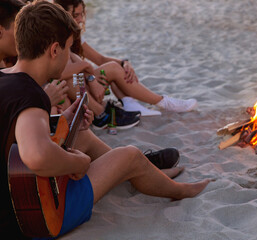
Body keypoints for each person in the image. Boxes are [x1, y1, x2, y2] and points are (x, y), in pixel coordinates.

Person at [0, 1, 210, 239]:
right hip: (37, 217)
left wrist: (64, 119)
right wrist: (78, 164)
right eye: (69, 48)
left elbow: (13, 135)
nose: (70, 56)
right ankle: (180, 191)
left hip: (17, 197)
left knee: (82, 134)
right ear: (55, 50)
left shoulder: (5, 79)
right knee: (129, 155)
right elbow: (36, 156)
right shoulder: (30, 94)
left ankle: (141, 174)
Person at [53, 0, 199, 117]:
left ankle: (131, 103)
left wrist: (124, 63)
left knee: (115, 67)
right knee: (112, 68)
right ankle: (163, 102)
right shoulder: (55, 37)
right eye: (75, 15)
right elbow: (59, 73)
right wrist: (88, 71)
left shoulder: (74, 36)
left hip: (82, 86)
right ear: (64, 14)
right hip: (72, 88)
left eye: (81, 14)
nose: (80, 19)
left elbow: (100, 59)